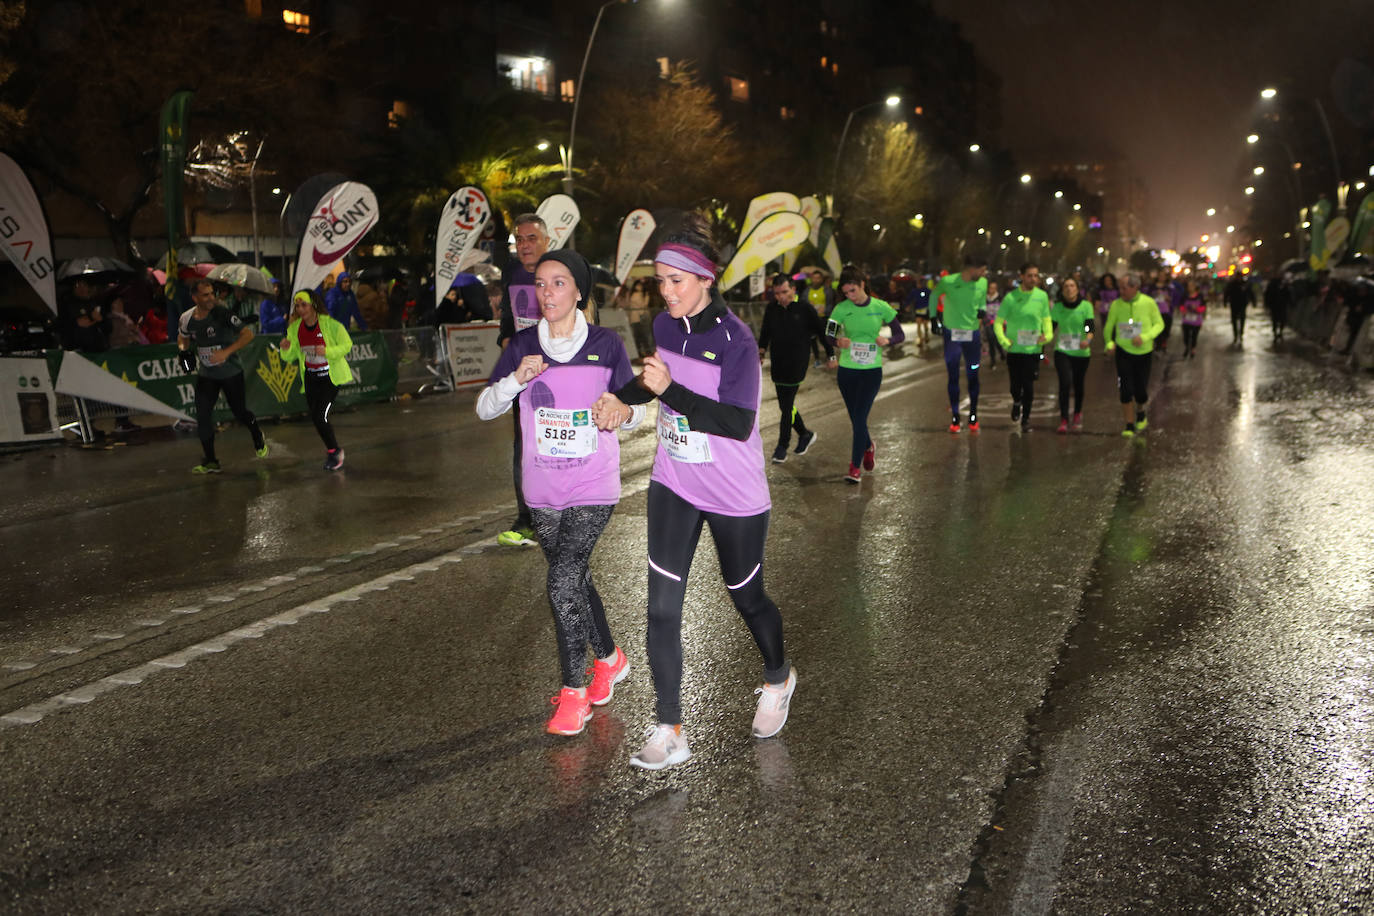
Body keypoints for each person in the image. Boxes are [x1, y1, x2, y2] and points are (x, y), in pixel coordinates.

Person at [592, 214, 796, 771]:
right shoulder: (662, 326)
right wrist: (624, 399)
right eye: (659, 280)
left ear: (705, 279)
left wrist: (667, 390)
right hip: (674, 483)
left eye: (675, 281)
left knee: (746, 598)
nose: (665, 291)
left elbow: (734, 422)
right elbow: (654, 381)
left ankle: (778, 676)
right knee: (661, 607)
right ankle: (669, 728)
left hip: (733, 494)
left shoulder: (737, 341)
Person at [476, 249, 641, 736]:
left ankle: (574, 693)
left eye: (558, 283)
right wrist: (514, 379)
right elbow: (485, 408)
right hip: (542, 487)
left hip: (593, 483)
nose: (546, 293)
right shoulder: (523, 345)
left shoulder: (607, 344)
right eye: (541, 285)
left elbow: (637, 411)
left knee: (561, 581)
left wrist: (623, 411)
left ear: (580, 292)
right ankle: (609, 658)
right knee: (574, 580)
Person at [494, 214, 552, 547]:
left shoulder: (562, 271)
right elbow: (507, 317)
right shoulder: (512, 274)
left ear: (546, 241)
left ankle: (563, 510)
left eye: (532, 238)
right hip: (525, 377)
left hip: (560, 376)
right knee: (523, 448)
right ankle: (526, 519)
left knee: (557, 446)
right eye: (520, 239)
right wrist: (505, 340)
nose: (525, 245)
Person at [177, 278, 268, 472]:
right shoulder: (186, 318)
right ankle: (211, 461)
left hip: (230, 372)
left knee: (240, 413)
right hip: (207, 374)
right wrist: (183, 350)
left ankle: (256, 433)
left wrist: (226, 352)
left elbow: (247, 334)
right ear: (195, 298)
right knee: (202, 416)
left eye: (212, 294)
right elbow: (182, 336)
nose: (211, 298)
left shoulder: (223, 313)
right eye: (206, 295)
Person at [827, 265, 896, 482]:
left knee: (859, 417)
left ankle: (854, 467)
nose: (850, 296)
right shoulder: (840, 309)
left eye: (853, 291)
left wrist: (889, 340)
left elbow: (900, 333)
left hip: (871, 372)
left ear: (862, 285)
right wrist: (838, 340)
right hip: (847, 371)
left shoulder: (880, 306)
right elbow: (828, 334)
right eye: (846, 293)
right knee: (856, 419)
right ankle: (868, 446)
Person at [757, 273, 832, 463]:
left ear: (793, 289)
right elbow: (765, 330)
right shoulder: (772, 309)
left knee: (787, 405)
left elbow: (822, 333)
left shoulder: (805, 309)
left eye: (784, 292)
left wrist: (831, 355)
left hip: (797, 362)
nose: (781, 297)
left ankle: (782, 446)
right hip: (778, 362)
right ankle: (805, 434)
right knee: (785, 405)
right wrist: (762, 350)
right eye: (777, 293)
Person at [277, 289, 353, 471]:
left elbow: (347, 345)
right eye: (297, 305)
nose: (301, 309)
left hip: (330, 378)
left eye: (304, 305)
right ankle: (332, 449)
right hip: (311, 378)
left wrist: (326, 351)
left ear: (314, 305)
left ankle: (335, 452)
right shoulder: (295, 329)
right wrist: (285, 348)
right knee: (316, 417)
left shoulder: (330, 325)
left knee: (320, 416)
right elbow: (290, 356)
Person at [930, 255, 988, 433]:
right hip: (952, 334)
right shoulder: (948, 281)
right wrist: (933, 318)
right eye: (982, 269)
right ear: (971, 268)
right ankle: (955, 417)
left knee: (973, 375)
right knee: (953, 376)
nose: (984, 273)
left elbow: (982, 300)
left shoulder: (983, 283)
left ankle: (973, 415)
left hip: (972, 334)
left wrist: (982, 310)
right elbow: (934, 295)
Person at [1102, 272, 1164, 437]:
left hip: (1144, 352)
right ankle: (1129, 424)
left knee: (1140, 390)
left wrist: (1145, 337)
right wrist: (1109, 343)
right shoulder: (1116, 304)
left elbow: (1159, 324)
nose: (1121, 291)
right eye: (1119, 287)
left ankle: (1141, 410)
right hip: (1123, 352)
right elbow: (1109, 326)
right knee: (1125, 389)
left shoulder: (1148, 303)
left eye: (1124, 287)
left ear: (1135, 287)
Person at [993, 263, 1053, 434]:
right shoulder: (1011, 298)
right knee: (1014, 386)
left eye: (1036, 275)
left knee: (1029, 385)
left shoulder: (1041, 296)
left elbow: (1046, 319)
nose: (1033, 279)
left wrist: (1047, 336)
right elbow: (998, 323)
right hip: (1014, 350)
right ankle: (1016, 402)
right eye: (1030, 276)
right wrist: (1004, 341)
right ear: (1021, 276)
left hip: (1033, 350)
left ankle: (1026, 419)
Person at [1049, 275, 1094, 432]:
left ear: (1077, 289)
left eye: (1072, 286)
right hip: (1062, 350)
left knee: (1078, 384)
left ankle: (1077, 413)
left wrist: (1087, 340)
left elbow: (1089, 327)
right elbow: (1051, 328)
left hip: (1081, 352)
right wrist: (1041, 338)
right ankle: (1063, 419)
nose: (1069, 289)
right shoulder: (1057, 308)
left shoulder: (1086, 306)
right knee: (1065, 383)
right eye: (1066, 286)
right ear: (1062, 291)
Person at [1223, 271, 1254, 346]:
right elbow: (1227, 293)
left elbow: (1250, 292)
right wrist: (1225, 302)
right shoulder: (1232, 284)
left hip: (1243, 305)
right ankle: (1236, 335)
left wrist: (1253, 301)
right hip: (1234, 305)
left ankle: (1241, 334)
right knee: (1234, 320)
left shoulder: (1245, 284)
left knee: (1242, 319)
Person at [1179, 278, 1207, 358]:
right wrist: (1183, 310)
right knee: (1186, 336)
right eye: (1189, 286)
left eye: (1192, 286)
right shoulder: (1184, 296)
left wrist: (1197, 309)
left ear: (1195, 287)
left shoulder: (1200, 296)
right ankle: (1187, 347)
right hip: (1186, 320)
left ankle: (1193, 349)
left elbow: (1203, 307)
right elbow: (1181, 305)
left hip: (1196, 321)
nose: (1190, 288)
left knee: (1194, 336)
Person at [982, 278, 1004, 368]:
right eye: (991, 288)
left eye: (994, 288)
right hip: (988, 323)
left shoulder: (1000, 298)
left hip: (998, 323)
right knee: (991, 340)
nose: (992, 290)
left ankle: (1001, 353)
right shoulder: (984, 298)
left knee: (996, 340)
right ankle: (993, 360)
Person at [1264, 272, 1292, 343]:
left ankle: (1280, 332)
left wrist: (1290, 302)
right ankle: (1275, 332)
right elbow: (1267, 294)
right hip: (1274, 305)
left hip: (1282, 305)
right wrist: (1268, 304)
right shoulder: (1272, 284)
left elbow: (1287, 294)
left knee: (1282, 319)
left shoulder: (1283, 284)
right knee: (1275, 320)